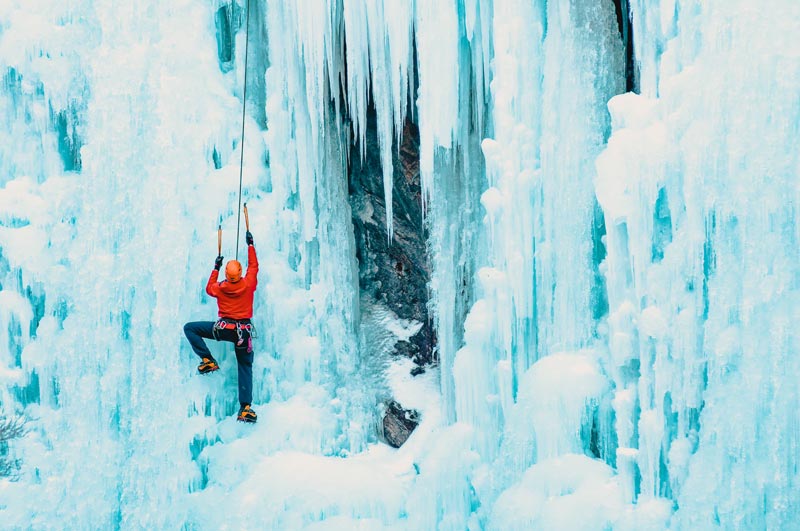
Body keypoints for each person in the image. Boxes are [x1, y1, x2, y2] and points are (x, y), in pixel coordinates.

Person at [184, 230, 259, 423]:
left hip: (224, 330)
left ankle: (207, 359)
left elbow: (209, 287)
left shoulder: (219, 288)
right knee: (245, 365)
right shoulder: (249, 284)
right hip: (243, 334)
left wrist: (216, 267)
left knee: (190, 328)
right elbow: (254, 266)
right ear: (240, 273)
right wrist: (250, 245)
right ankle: (245, 408)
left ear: (226, 274)